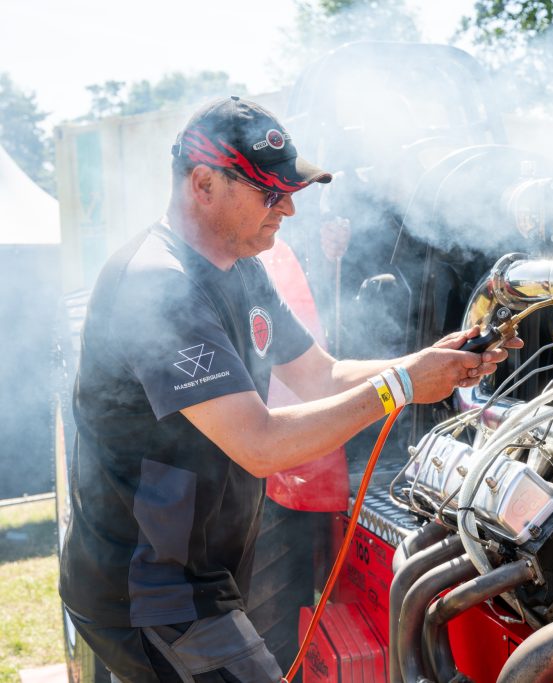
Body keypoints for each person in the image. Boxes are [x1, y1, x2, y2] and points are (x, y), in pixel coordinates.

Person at [57, 96, 519, 683]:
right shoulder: (158, 287)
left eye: (291, 192)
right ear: (203, 184)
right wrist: (403, 385)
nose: (289, 211)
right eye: (270, 193)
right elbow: (262, 444)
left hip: (197, 580)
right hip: (147, 593)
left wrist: (434, 363)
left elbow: (320, 375)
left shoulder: (242, 266)